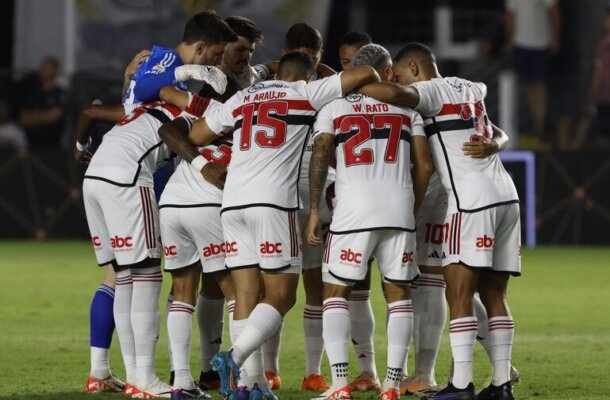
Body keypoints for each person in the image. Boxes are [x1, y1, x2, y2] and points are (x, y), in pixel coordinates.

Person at [180, 51, 380, 400]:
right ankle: (236, 356)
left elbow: (196, 134)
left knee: (246, 296)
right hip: (273, 205)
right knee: (282, 296)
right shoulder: (305, 92)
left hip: (232, 204)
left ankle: (250, 385)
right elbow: (365, 72)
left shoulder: (243, 97)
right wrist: (321, 77)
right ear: (306, 76)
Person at [78, 12, 236, 396]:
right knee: (147, 276)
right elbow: (173, 99)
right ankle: (144, 378)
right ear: (200, 50)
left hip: (97, 174)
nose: (215, 67)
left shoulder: (159, 99)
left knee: (125, 278)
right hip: (128, 175)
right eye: (214, 59)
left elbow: (140, 95)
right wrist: (190, 80)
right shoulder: (191, 99)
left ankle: (132, 376)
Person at [369, 42, 521, 400]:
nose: (401, 82)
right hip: (506, 196)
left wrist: (355, 79)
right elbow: (497, 128)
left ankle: (461, 384)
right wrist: (497, 143)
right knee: (494, 293)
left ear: (416, 70)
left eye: (403, 73)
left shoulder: (429, 90)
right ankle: (500, 385)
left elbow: (389, 92)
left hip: (471, 202)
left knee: (458, 292)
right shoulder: (470, 87)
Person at [305, 43, 433, 400]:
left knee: (335, 294)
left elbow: (320, 153)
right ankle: (391, 385)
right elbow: (424, 165)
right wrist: (413, 206)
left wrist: (314, 209)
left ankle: (340, 383)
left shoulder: (335, 107)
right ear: (384, 71)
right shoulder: (409, 112)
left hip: (352, 214)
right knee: (398, 297)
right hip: (398, 211)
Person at [504, 0, 561, 144]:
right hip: (521, 43)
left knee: (540, 85)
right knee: (528, 86)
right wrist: (510, 39)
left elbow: (554, 11)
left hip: (540, 43)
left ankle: (540, 126)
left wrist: (555, 38)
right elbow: (510, 14)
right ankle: (531, 126)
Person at [575, 3, 610, 150]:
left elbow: (598, 73)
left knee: (588, 123)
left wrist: (590, 97)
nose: (603, 20)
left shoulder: (604, 44)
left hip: (603, 99)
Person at [16, 56, 68, 149]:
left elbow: (55, 115)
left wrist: (34, 115)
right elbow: (23, 118)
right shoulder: (33, 93)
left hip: (53, 146)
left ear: (55, 71)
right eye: (43, 68)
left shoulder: (59, 94)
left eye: (47, 68)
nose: (43, 71)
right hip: (32, 145)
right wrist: (45, 115)